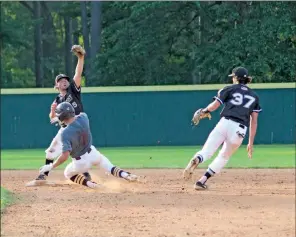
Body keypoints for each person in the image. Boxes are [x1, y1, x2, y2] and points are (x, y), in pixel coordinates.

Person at [183, 67, 262, 190]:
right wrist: (250, 143)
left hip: (224, 123)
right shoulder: (254, 96)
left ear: (236, 78)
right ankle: (201, 181)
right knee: (224, 156)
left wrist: (204, 111)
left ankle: (197, 158)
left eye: (233, 77)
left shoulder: (229, 89)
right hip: (239, 130)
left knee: (207, 151)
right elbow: (254, 121)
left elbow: (214, 106)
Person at [39, 102, 139, 189]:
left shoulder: (65, 133)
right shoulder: (84, 118)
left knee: (68, 173)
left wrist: (51, 166)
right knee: (110, 167)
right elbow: (75, 117)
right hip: (93, 153)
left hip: (80, 162)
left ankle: (92, 185)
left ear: (61, 117)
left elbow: (65, 156)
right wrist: (62, 117)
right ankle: (126, 175)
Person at [35, 45, 91, 183]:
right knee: (51, 151)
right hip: (66, 128)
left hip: (78, 124)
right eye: (60, 81)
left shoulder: (74, 91)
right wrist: (52, 111)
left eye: (65, 79)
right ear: (56, 86)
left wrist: (81, 58)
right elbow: (52, 119)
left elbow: (78, 74)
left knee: (78, 150)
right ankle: (44, 175)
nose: (64, 81)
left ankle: (84, 173)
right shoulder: (57, 100)